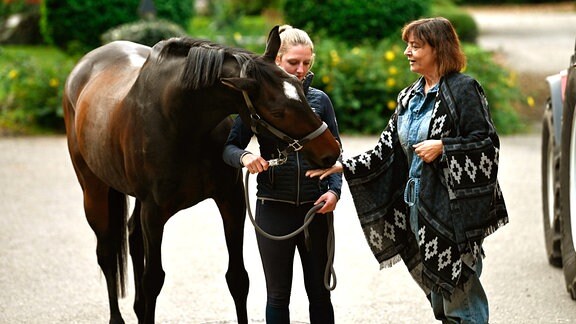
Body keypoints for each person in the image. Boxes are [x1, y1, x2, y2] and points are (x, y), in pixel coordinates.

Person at [307, 17, 508, 323]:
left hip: (452, 209)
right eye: (407, 45)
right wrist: (342, 166)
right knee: (440, 295)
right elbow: (385, 149)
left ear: (438, 49)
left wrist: (444, 146)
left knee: (460, 294)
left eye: (415, 46)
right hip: (416, 208)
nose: (407, 52)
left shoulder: (463, 89)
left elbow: (486, 144)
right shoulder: (409, 97)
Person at [222, 25, 342, 324]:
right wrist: (245, 156)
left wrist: (334, 191)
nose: (300, 70)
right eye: (293, 63)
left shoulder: (320, 101)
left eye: (306, 63)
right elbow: (230, 147)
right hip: (273, 206)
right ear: (277, 60)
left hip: (316, 208)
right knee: (277, 295)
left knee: (320, 291)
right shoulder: (259, 100)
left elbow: (335, 153)